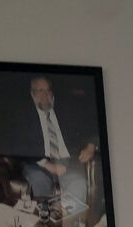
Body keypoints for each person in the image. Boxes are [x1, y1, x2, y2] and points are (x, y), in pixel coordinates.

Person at [17, 75, 98, 206]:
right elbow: (20, 145)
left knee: (78, 183)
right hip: (38, 164)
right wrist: (47, 164)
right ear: (32, 94)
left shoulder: (66, 111)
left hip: (67, 161)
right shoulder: (23, 116)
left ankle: (67, 217)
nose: (46, 95)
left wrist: (90, 147)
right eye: (40, 90)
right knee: (39, 180)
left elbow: (89, 127)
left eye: (48, 90)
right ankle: (45, 215)